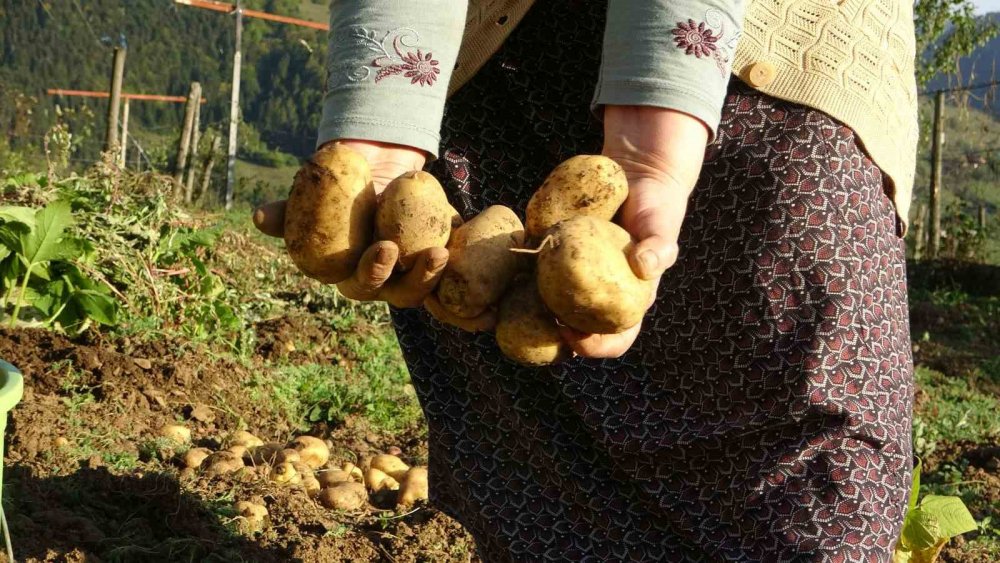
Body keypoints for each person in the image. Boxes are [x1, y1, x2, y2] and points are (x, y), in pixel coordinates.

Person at [254, 1, 918, 560]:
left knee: (803, 455)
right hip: (499, 59)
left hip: (759, 52)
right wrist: (385, 113)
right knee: (537, 470)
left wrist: (658, 123)